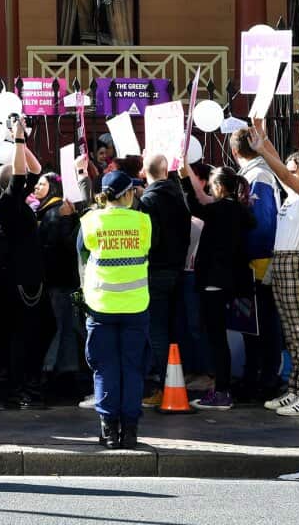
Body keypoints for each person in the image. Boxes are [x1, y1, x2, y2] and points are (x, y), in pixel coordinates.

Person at [248, 122, 299, 417]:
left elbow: (280, 171)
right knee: (291, 333)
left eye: (294, 169)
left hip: (295, 263)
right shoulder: (294, 196)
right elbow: (281, 167)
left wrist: (262, 152)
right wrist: (264, 140)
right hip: (282, 262)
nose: (288, 172)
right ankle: (295, 388)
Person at [79, 170, 153, 450]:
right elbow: (147, 249)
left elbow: (83, 254)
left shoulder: (90, 221)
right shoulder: (142, 222)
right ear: (127, 193)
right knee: (133, 368)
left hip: (101, 307)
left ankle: (109, 429)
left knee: (104, 368)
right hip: (136, 306)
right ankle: (131, 431)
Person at [0, 116, 51, 408]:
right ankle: (18, 388)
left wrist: (21, 138)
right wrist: (18, 139)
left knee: (24, 335)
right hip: (17, 280)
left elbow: (35, 170)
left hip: (22, 276)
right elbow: (24, 176)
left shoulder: (10, 200)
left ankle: (21, 385)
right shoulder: (7, 203)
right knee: (20, 337)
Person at [179, 164, 255, 410]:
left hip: (214, 280)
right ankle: (226, 386)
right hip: (234, 281)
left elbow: (195, 205)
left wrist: (183, 179)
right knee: (226, 336)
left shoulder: (220, 210)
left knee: (216, 338)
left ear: (220, 187)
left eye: (212, 186)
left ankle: (221, 390)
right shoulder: (240, 211)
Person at [229, 126, 284, 403]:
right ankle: (254, 376)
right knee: (253, 325)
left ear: (234, 150)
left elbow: (262, 223)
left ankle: (266, 380)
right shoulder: (253, 174)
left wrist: (248, 253)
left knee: (263, 324)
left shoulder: (258, 175)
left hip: (258, 260)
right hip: (252, 259)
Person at [137, 154, 191, 407]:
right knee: (170, 326)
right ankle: (172, 377)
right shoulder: (179, 198)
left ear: (143, 172)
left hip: (155, 269)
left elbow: (151, 239)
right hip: (177, 268)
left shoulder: (148, 200)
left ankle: (163, 383)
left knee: (156, 329)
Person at [34, 172, 83, 399]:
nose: (36, 187)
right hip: (64, 280)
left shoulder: (55, 214)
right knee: (66, 327)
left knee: (62, 327)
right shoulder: (55, 212)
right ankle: (67, 372)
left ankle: (50, 372)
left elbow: (60, 248)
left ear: (53, 187)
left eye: (42, 184)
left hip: (59, 281)